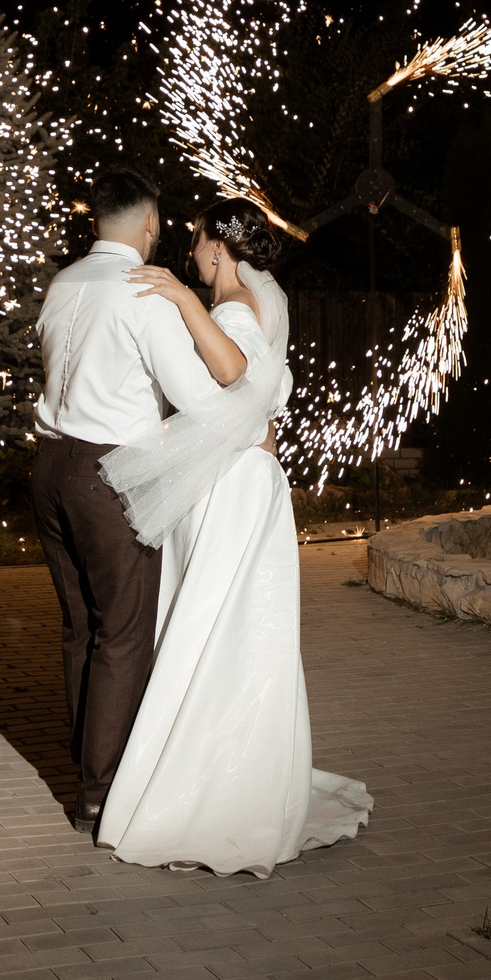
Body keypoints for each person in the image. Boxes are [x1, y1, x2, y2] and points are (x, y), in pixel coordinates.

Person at [94, 197, 373, 876]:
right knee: (235, 627)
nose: (189, 251)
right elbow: (258, 402)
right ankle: (234, 771)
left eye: (196, 241)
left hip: (231, 489)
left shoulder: (234, 309)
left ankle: (208, 789)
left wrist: (181, 299)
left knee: (211, 625)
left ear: (220, 248)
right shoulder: (253, 302)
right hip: (245, 481)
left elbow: (231, 371)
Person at [30, 168, 226, 837]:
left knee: (80, 626)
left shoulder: (63, 282)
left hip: (49, 468)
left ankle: (86, 767)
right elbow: (194, 394)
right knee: (123, 631)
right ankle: (101, 791)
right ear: (150, 224)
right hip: (109, 475)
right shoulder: (145, 290)